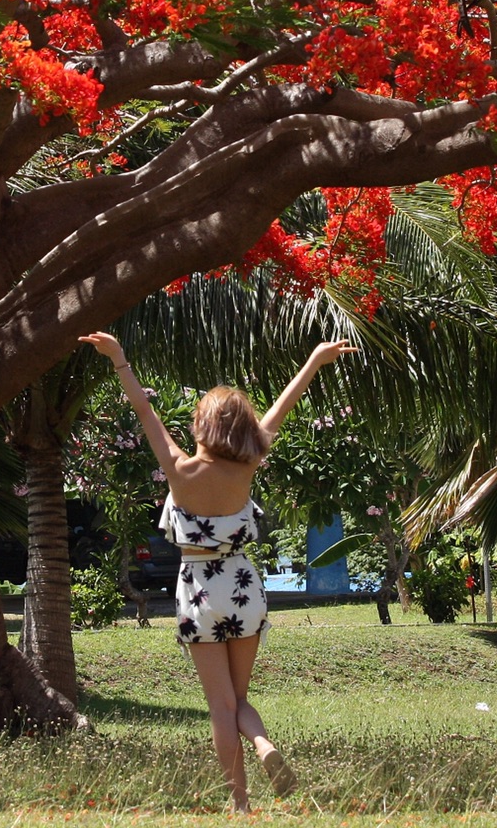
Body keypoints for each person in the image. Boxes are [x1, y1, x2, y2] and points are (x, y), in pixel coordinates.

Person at [79, 331, 358, 813]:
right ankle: (264, 744)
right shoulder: (249, 462)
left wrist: (120, 360)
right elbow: (281, 409)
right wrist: (315, 360)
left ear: (202, 427)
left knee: (220, 706)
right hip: (244, 587)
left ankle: (240, 805)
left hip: (199, 590)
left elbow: (145, 411)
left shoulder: (180, 470)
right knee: (240, 699)